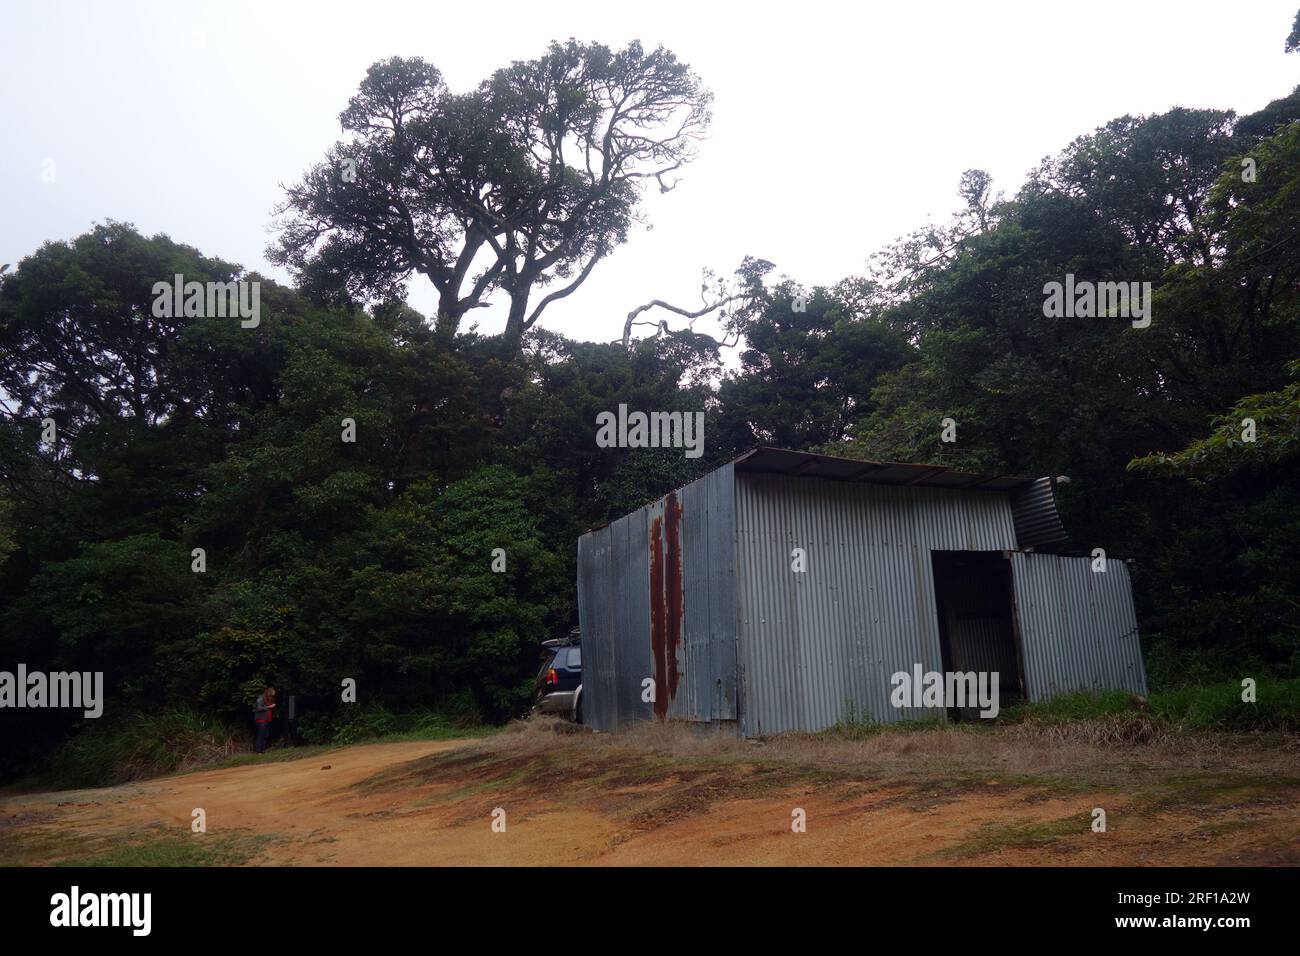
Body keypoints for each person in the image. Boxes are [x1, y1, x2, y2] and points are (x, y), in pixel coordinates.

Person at [253, 686, 276, 754]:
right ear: (269, 693)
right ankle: (258, 751)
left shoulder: (268, 699)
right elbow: (259, 708)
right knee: (260, 735)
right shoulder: (261, 698)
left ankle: (262, 750)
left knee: (265, 735)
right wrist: (269, 707)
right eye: (272, 695)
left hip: (267, 720)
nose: (272, 696)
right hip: (261, 720)